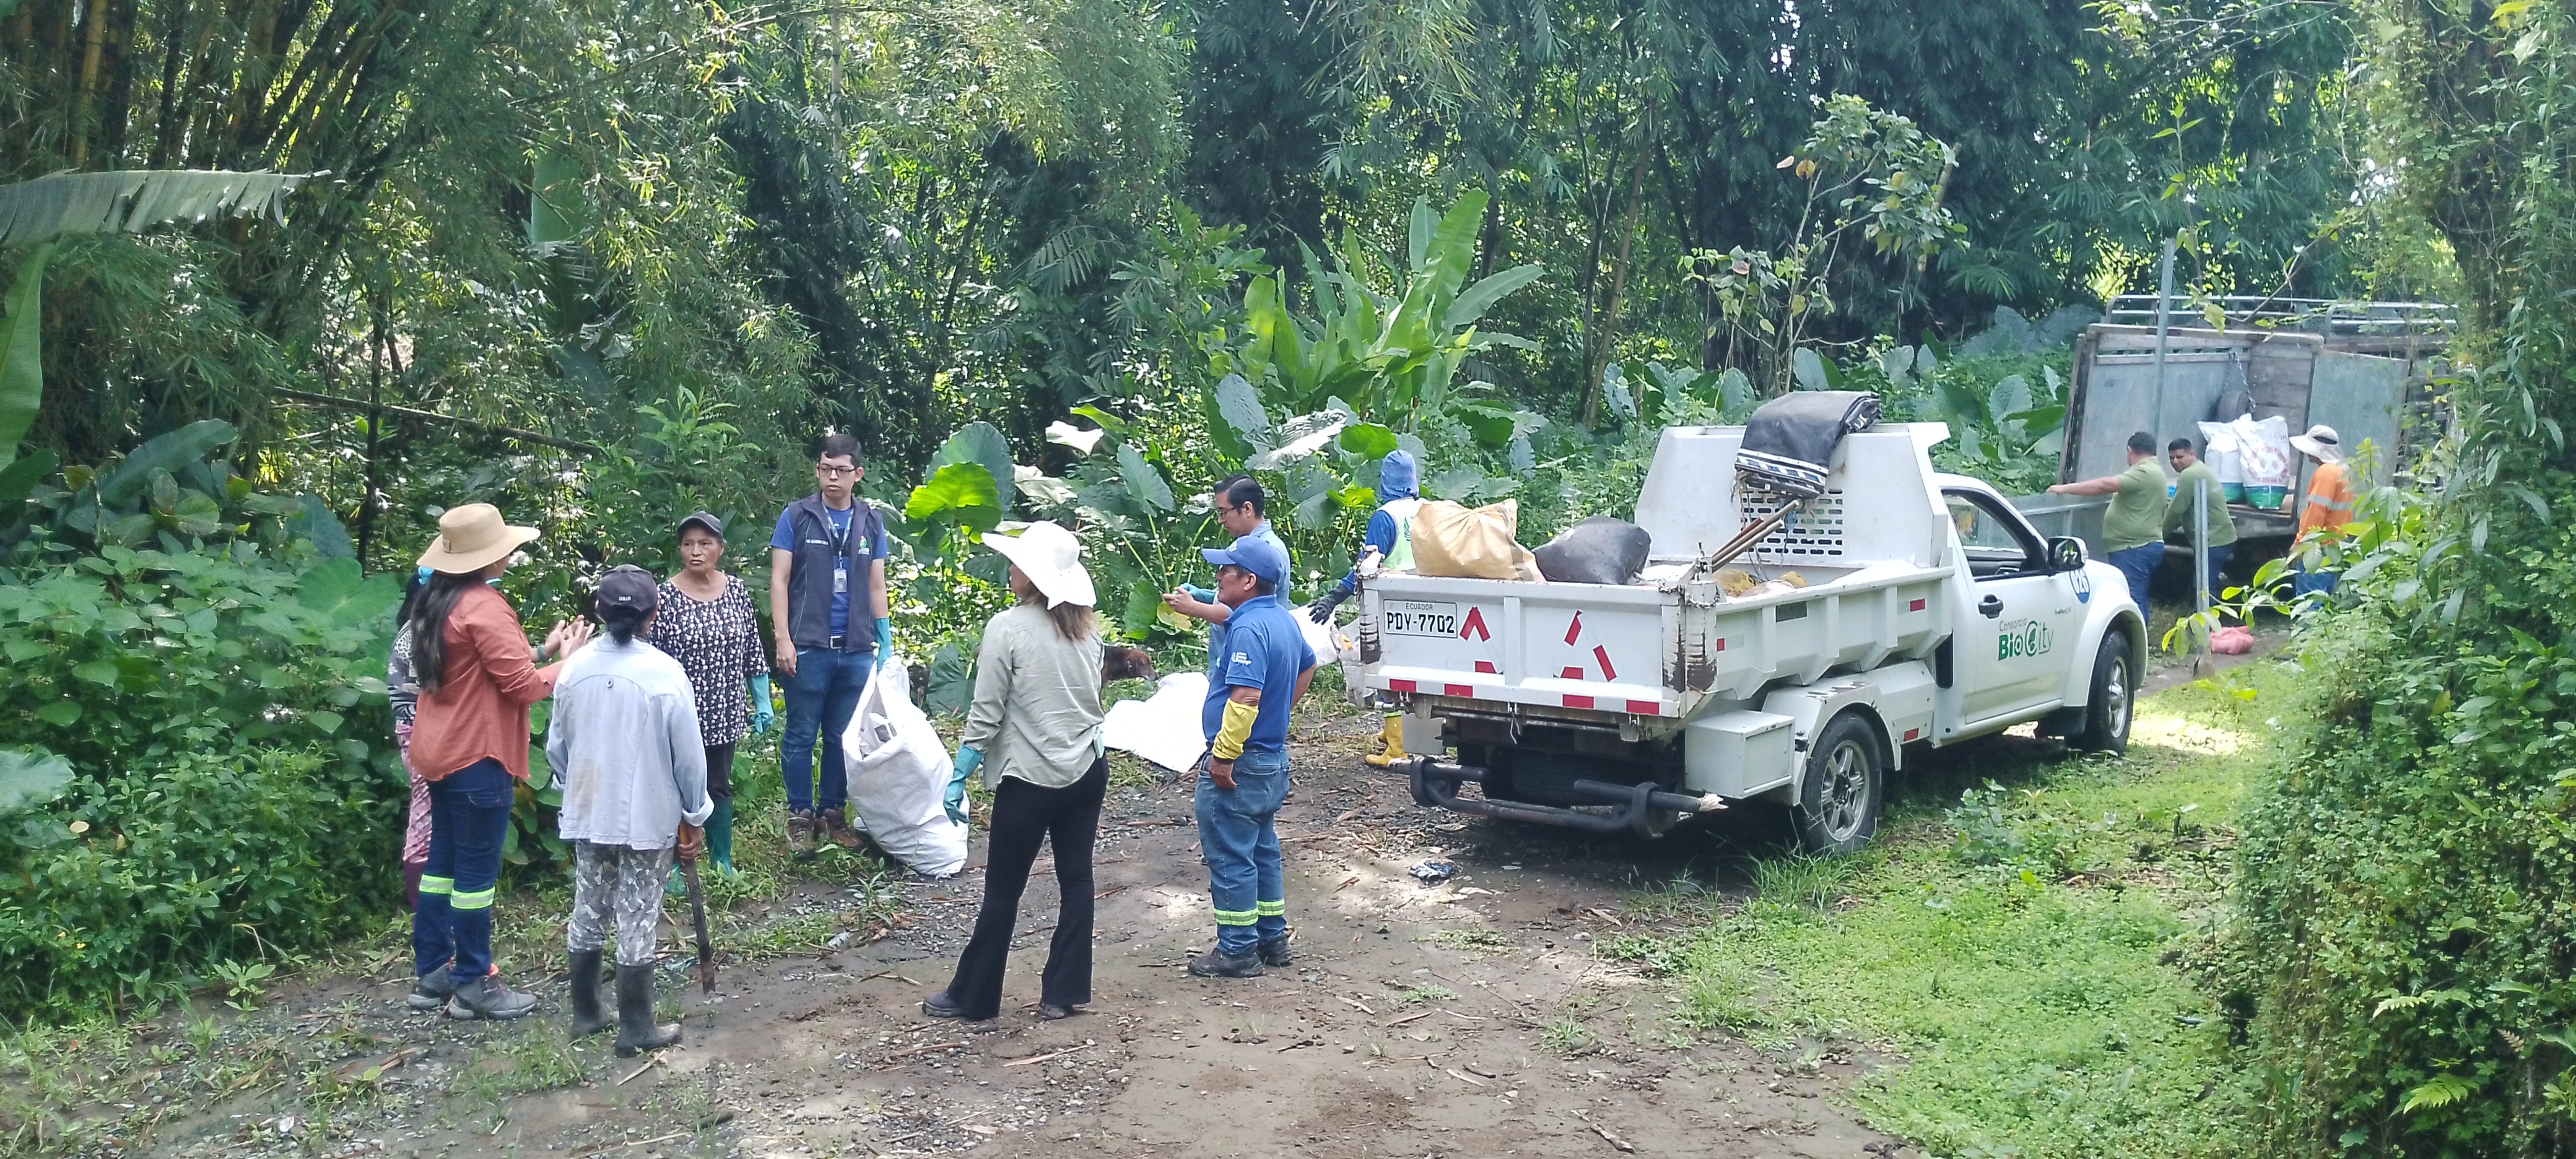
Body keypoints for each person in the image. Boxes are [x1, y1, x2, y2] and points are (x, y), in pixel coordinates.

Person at [407, 503, 593, 1020]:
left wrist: (543, 651)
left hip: (438, 750)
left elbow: (479, 666)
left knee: (442, 866)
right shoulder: (485, 607)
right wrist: (571, 661)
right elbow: (524, 688)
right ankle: (474, 980)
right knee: (474, 877)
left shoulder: (437, 600)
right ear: (490, 557)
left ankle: (433, 972)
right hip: (476, 755)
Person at [921, 522, 1108, 1023]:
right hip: (1086, 769)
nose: (1010, 570)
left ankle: (974, 997)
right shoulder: (1088, 630)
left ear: (1035, 576)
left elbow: (987, 712)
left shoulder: (1007, 628)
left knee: (1003, 890)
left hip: (1030, 778)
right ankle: (1064, 992)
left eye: (1018, 563)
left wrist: (961, 771)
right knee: (1077, 880)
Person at [550, 565, 714, 1056]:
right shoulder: (665, 674)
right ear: (653, 615)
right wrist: (695, 813)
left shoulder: (574, 669)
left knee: (589, 905)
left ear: (600, 613)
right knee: (637, 914)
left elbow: (557, 746)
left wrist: (572, 788)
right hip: (647, 815)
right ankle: (636, 1027)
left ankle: (586, 1013)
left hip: (587, 807)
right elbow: (689, 758)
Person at [1186, 535, 1316, 979]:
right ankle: (1272, 939)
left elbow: (1244, 697)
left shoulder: (1246, 628)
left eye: (1226, 570)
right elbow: (1308, 665)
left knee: (1230, 856)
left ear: (1248, 580)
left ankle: (1237, 949)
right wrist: (1281, 711)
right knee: (1262, 849)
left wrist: (1223, 757)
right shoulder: (1283, 620)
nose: (1218, 576)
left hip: (1241, 761)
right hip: (1271, 758)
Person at [769, 433, 891, 858]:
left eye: (841, 470)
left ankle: (832, 815)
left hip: (855, 648)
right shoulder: (797, 517)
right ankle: (800, 817)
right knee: (801, 733)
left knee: (842, 736)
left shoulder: (870, 521)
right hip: (808, 645)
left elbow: (877, 585)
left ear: (858, 473)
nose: (832, 477)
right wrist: (783, 638)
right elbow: (779, 580)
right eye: (825, 469)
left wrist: (884, 640)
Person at [650, 512, 773, 879]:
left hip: (724, 711)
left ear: (720, 548)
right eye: (688, 544)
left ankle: (722, 861)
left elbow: (752, 648)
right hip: (679, 714)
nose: (696, 551)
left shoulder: (735, 591)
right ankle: (675, 865)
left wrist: (762, 699)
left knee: (718, 785)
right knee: (675, 788)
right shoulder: (665, 596)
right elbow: (651, 659)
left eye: (705, 544)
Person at [1305, 449, 1422, 767]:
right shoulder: (1426, 509)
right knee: (1410, 674)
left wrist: (1332, 598)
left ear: (1385, 481)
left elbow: (1365, 567)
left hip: (1390, 605)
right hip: (1425, 605)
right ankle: (1397, 732)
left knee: (1384, 672)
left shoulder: (1386, 517)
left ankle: (1396, 748)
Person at [2047, 430, 2168, 613]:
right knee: (2137, 596)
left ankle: (2134, 631)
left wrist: (2064, 489)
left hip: (2134, 548)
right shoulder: (2155, 470)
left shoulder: (2144, 472)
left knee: (2130, 599)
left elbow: (2104, 485)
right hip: (2139, 546)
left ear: (2130, 451)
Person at [1164, 475, 1289, 626]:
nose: (1220, 520)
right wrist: (1203, 596)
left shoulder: (1269, 551)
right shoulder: (1244, 543)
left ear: (1247, 509)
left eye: (1223, 512)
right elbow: (1238, 599)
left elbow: (1249, 614)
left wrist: (1193, 607)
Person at [389, 570, 433, 916]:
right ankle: (425, 911)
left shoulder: (415, 629)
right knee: (424, 825)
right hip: (422, 734)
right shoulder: (420, 635)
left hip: (418, 731)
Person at [2164, 438, 2239, 598]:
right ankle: (2206, 613)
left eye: (2180, 457)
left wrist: (2158, 536)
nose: (2175, 461)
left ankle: (2206, 615)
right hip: (2219, 537)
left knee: (2204, 588)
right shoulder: (2198, 468)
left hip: (2213, 539)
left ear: (2192, 454)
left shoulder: (2190, 474)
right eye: (2171, 458)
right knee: (2204, 584)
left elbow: (2175, 511)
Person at [2290, 423, 2353, 598]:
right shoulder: (2341, 471)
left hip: (2318, 548)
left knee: (2309, 600)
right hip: (2333, 546)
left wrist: (2300, 543)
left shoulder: (2326, 473)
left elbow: (2316, 513)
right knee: (2322, 597)